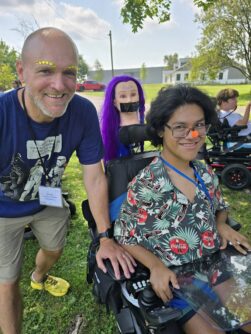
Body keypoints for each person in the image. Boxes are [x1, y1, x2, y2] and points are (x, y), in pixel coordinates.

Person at [0, 27, 135, 334]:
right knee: (6, 284)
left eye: (69, 72)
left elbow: (94, 176)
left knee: (54, 249)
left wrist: (105, 237)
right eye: (45, 70)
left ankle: (38, 276)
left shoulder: (83, 111)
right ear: (22, 72)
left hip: (48, 198)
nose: (59, 85)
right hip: (2, 210)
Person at [114, 85, 251, 334]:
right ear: (160, 130)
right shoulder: (147, 184)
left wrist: (221, 223)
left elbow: (220, 207)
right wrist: (155, 266)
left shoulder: (205, 173)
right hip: (178, 278)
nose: (192, 134)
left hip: (214, 264)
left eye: (199, 125)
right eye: (179, 127)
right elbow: (125, 236)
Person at [100, 75, 145, 164]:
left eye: (133, 94)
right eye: (123, 96)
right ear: (114, 101)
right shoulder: (109, 131)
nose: (129, 100)